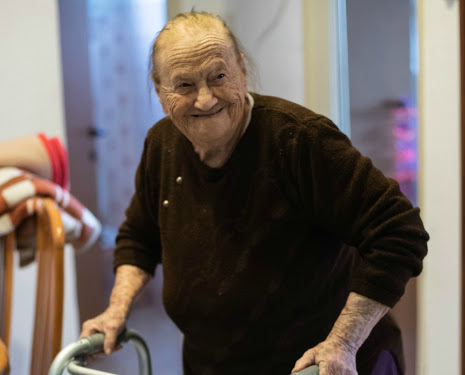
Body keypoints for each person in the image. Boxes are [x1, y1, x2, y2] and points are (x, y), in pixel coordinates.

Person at [80, 11, 428, 375]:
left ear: (242, 71)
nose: (204, 99)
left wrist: (343, 341)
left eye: (218, 76)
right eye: (183, 85)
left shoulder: (298, 140)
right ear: (159, 91)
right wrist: (115, 312)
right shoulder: (161, 144)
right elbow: (140, 235)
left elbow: (399, 230)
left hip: (321, 367)